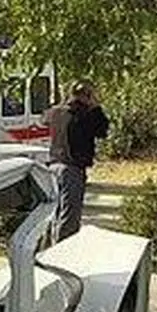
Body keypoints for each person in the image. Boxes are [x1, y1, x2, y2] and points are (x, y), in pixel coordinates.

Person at [47, 80, 110, 241]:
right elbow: (103, 130)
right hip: (72, 169)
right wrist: (96, 107)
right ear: (87, 96)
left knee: (54, 214)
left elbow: (43, 119)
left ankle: (46, 251)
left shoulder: (56, 113)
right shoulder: (85, 115)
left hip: (53, 167)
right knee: (69, 217)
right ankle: (62, 255)